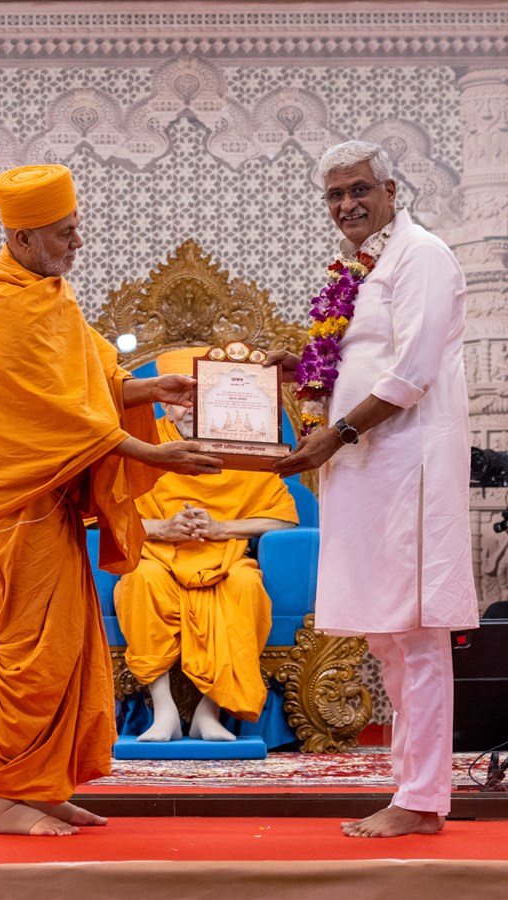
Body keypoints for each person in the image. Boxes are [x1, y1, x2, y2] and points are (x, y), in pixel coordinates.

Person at [0, 165, 223, 836]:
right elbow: (58, 417)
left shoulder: (50, 296)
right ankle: (6, 799)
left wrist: (153, 390)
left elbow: (92, 387)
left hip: (50, 501)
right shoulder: (1, 311)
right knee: (30, 652)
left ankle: (41, 791)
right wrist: (151, 455)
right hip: (13, 503)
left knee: (68, 647)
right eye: (64, 233)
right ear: (22, 237)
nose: (78, 242)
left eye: (77, 229)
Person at [266, 140, 479, 837]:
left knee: (414, 636)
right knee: (389, 638)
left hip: (404, 469)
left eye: (359, 190)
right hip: (365, 472)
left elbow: (410, 372)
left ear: (391, 189)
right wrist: (297, 366)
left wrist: (336, 434)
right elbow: (357, 360)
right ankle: (410, 790)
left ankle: (420, 801)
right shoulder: (365, 265)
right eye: (334, 195)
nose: (348, 205)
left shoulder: (421, 256)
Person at [114, 347, 299, 742]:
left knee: (246, 586)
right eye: (181, 401)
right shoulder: (143, 443)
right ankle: (163, 710)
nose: (191, 409)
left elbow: (282, 516)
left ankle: (207, 711)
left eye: (203, 399)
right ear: (164, 405)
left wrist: (219, 528)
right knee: (139, 582)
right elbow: (106, 512)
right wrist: (161, 527)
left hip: (225, 556)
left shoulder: (242, 442)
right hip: (158, 556)